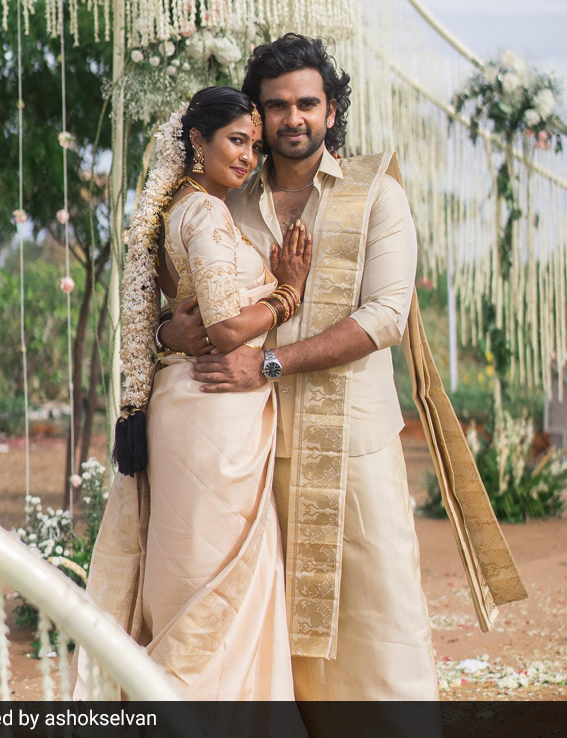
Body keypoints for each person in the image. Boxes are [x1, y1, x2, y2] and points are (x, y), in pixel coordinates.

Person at [159, 35, 525, 720]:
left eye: (307, 103)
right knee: (266, 637)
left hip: (354, 450)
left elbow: (386, 316)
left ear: (332, 111)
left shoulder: (375, 193)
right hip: (250, 454)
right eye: (276, 106)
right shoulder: (228, 201)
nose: (291, 118)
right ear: (257, 115)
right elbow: (181, 307)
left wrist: (269, 361)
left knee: (380, 635)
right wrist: (163, 332)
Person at [81, 87, 313, 703]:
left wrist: (166, 329)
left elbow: (181, 319)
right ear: (197, 141)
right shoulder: (207, 214)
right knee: (212, 575)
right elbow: (222, 328)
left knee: (187, 570)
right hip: (213, 416)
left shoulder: (174, 211)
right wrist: (286, 291)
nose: (247, 157)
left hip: (189, 404)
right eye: (237, 140)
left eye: (254, 147)